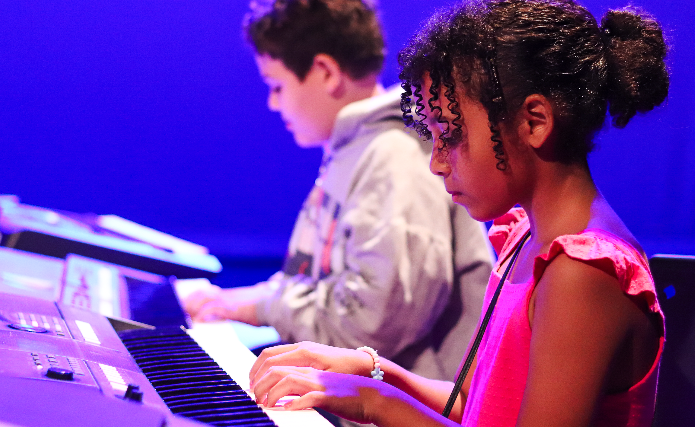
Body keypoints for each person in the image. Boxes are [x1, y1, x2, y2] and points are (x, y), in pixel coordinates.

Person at [245, 0, 670, 426]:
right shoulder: (526, 237)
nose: (436, 162)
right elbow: (471, 404)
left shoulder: (583, 272)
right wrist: (370, 370)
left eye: (449, 134)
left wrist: (374, 401)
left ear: (534, 122)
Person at [182, 0, 493, 393]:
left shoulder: (392, 156)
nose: (273, 103)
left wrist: (260, 307)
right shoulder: (357, 150)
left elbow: (374, 325)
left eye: (277, 86)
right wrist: (243, 301)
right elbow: (314, 280)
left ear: (326, 72)